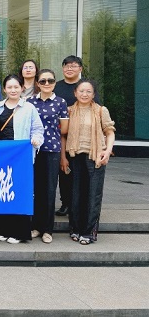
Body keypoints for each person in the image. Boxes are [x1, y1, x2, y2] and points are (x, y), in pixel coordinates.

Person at [61, 79, 115, 245]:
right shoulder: (69, 111)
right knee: (75, 195)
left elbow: (110, 132)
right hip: (74, 156)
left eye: (88, 91)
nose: (84, 94)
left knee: (93, 195)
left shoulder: (100, 110)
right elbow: (63, 135)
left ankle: (88, 232)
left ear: (93, 94)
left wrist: (107, 151)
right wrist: (63, 157)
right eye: (81, 91)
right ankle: (75, 228)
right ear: (75, 93)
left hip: (95, 156)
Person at [0, 75, 44, 244]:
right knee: (2, 191)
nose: (13, 90)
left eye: (16, 87)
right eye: (9, 87)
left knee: (19, 193)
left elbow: (38, 129)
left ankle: (19, 232)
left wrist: (36, 140)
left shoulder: (29, 108)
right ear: (4, 89)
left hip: (21, 158)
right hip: (1, 157)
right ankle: (2, 229)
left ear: (22, 88)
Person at [53, 55, 101, 217]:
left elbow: (97, 110)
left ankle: (82, 205)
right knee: (64, 171)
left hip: (84, 138)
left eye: (73, 66)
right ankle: (66, 203)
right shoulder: (56, 87)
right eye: (66, 66)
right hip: (63, 136)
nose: (69, 68)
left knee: (83, 174)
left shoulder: (85, 87)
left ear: (80, 69)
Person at [28, 69, 69, 243]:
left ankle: (47, 229)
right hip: (32, 150)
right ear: (37, 83)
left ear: (54, 83)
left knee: (49, 190)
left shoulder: (60, 102)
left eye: (50, 81)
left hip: (52, 149)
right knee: (35, 189)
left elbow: (64, 129)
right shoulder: (30, 102)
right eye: (43, 81)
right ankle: (36, 226)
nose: (46, 84)